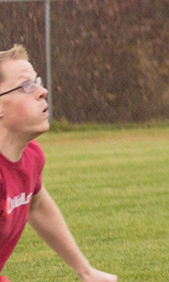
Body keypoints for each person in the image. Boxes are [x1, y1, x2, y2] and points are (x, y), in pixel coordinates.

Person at [0, 45, 118, 282]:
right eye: (26, 86)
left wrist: (86, 271)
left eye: (38, 82)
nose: (42, 91)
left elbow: (38, 204)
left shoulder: (31, 156)